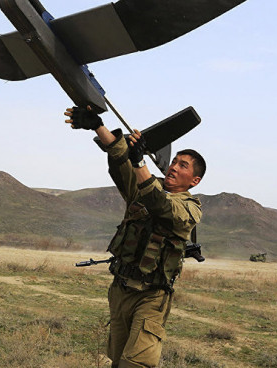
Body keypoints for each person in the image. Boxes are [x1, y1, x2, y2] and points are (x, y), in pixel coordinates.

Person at [65, 105, 205, 368]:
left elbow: (161, 205)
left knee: (136, 364)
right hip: (120, 290)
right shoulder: (142, 187)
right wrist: (98, 126)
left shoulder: (190, 208)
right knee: (118, 360)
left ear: (194, 180)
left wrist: (140, 161)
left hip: (150, 297)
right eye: (174, 162)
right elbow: (121, 161)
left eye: (182, 165)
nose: (174, 167)